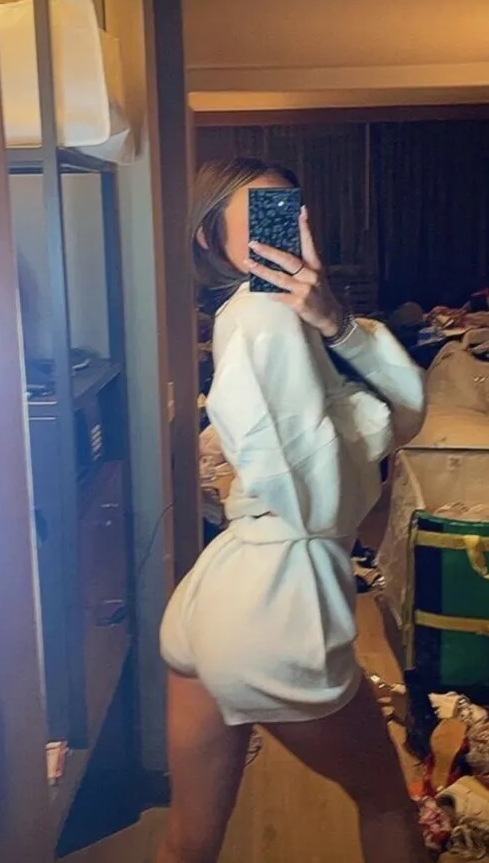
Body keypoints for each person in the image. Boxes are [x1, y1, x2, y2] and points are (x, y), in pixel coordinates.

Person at [158, 158, 428, 863]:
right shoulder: (264, 318)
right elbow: (326, 488)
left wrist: (335, 321)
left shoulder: (273, 317)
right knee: (387, 804)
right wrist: (360, 413)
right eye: (261, 216)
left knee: (188, 843)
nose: (286, 227)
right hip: (277, 601)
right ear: (209, 238)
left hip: (218, 594)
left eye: (291, 210)